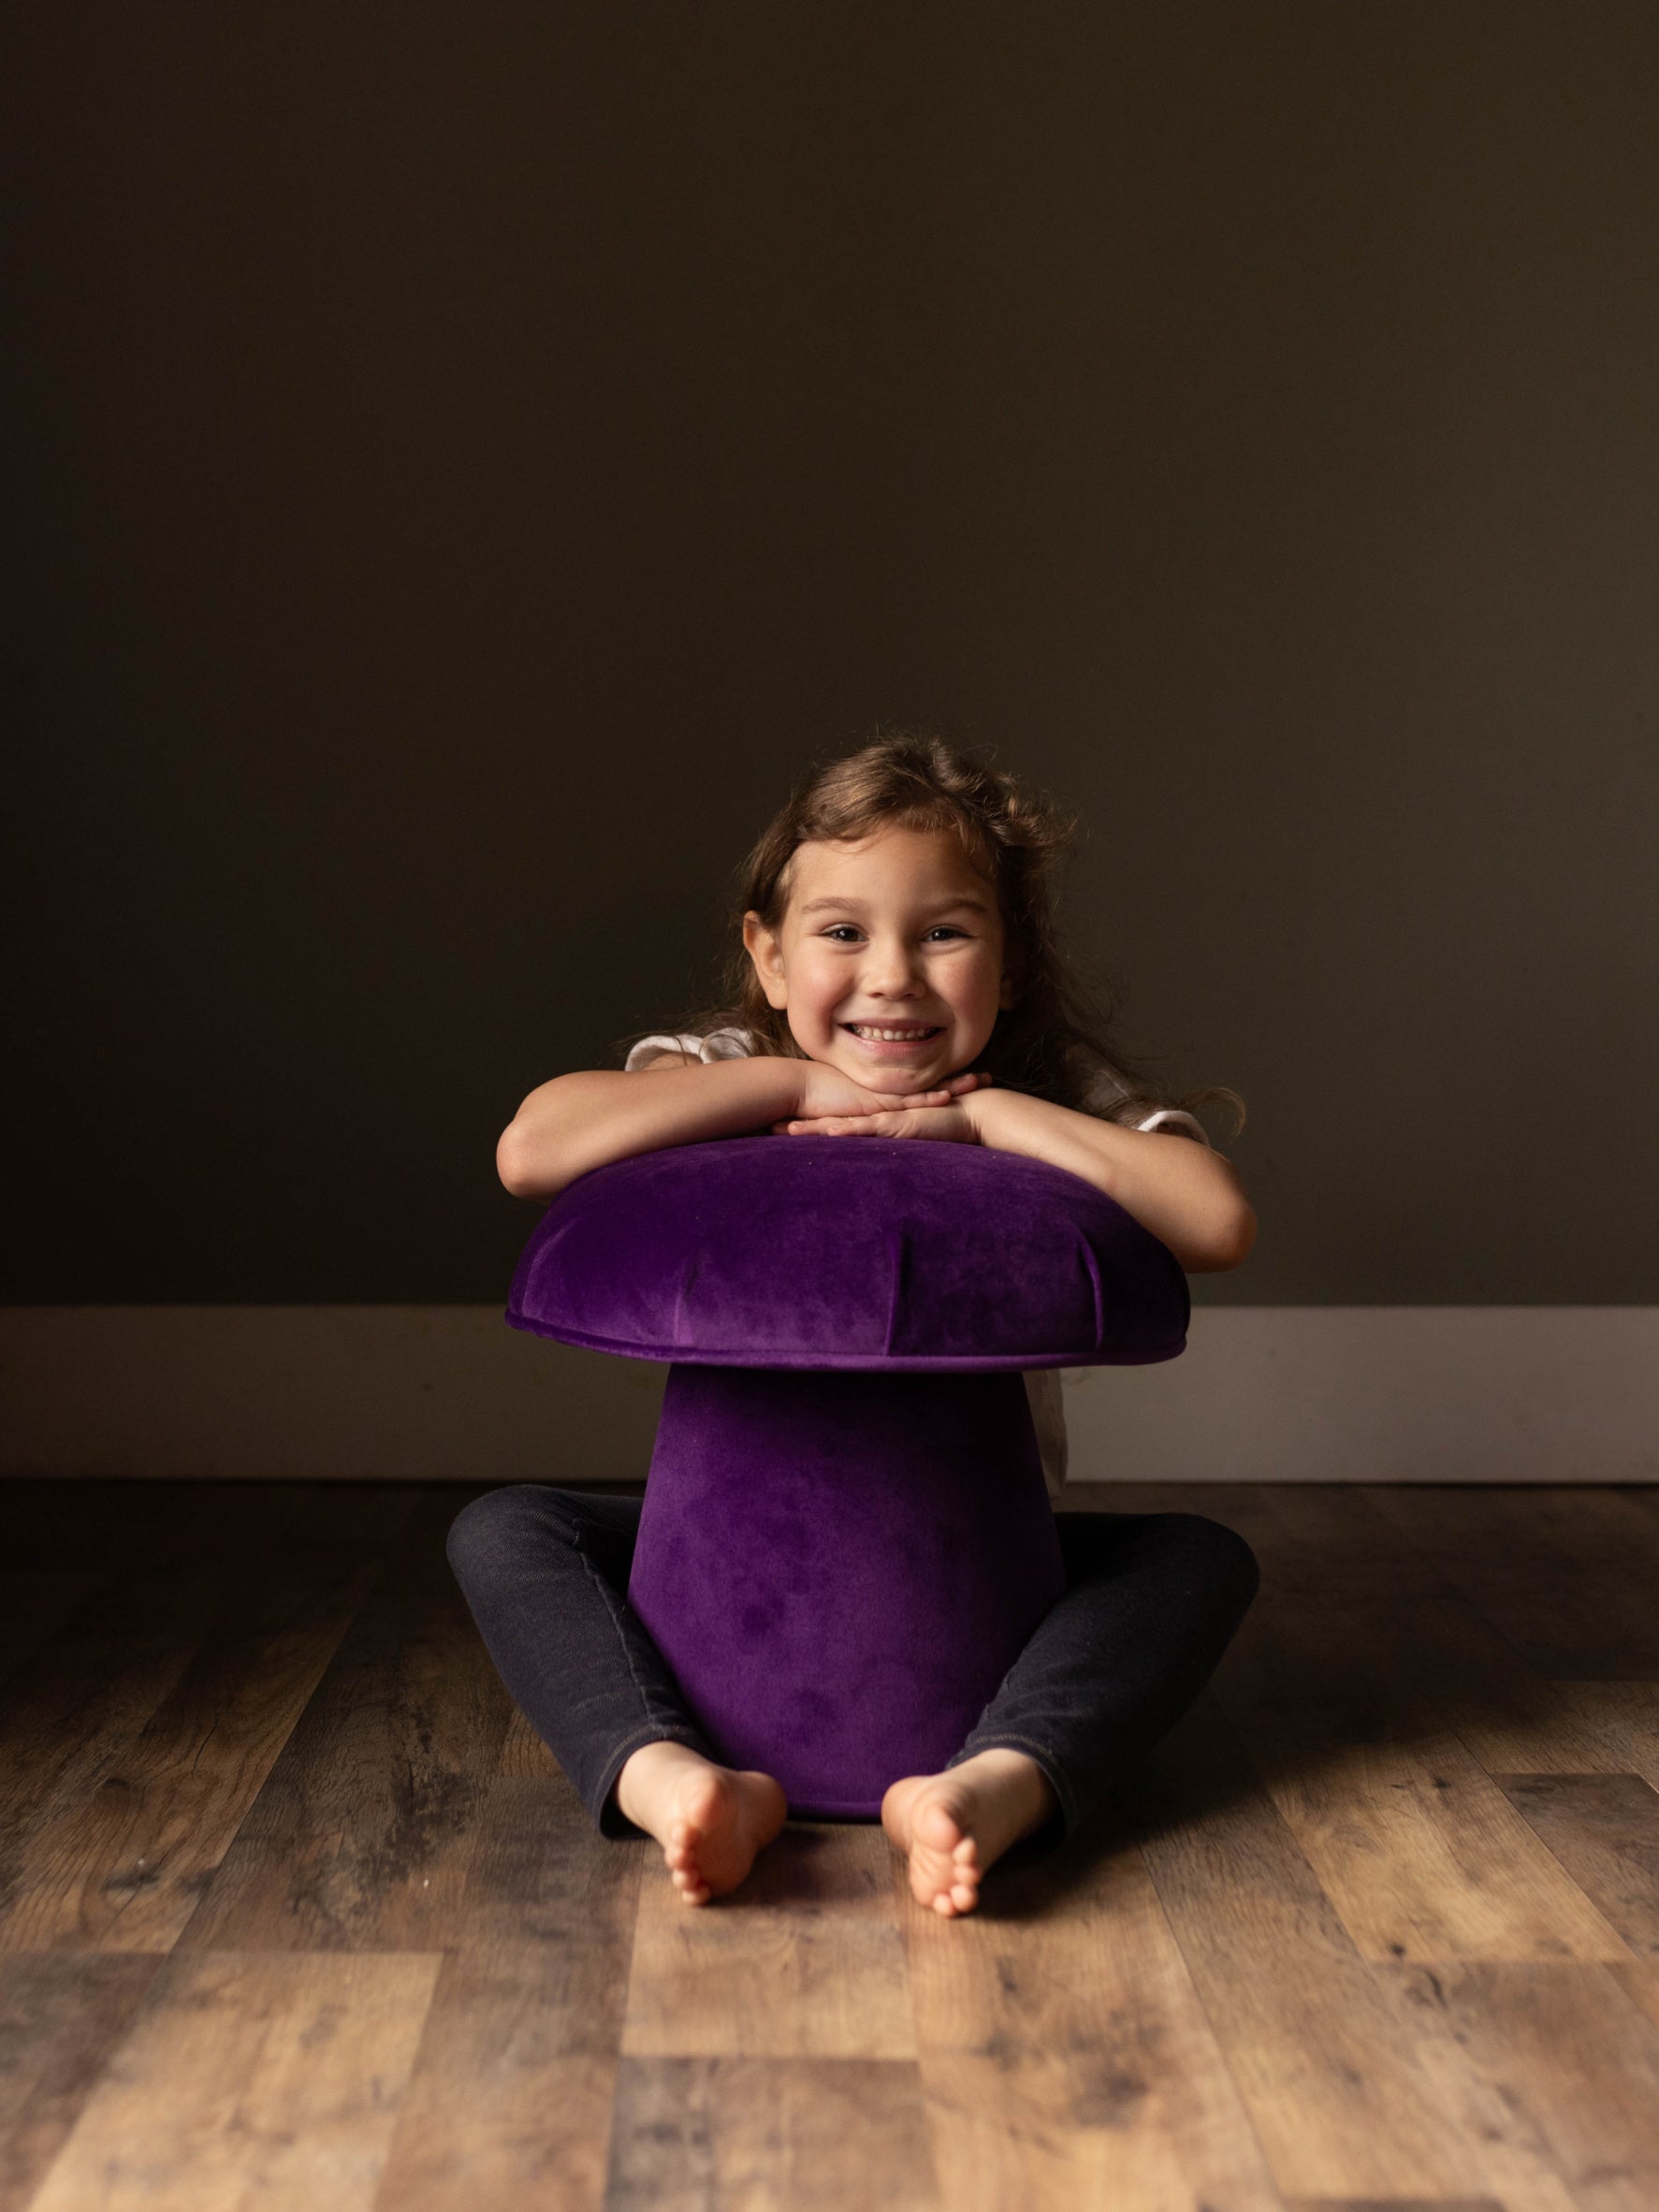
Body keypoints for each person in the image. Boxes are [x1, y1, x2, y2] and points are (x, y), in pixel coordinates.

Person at [449, 732, 1261, 1918]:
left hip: (987, 1560)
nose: (893, 976)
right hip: (721, 1562)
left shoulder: (1042, 1088)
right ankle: (665, 1774)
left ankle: (999, 1778)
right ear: (767, 958)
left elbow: (1217, 1218)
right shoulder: (735, 1062)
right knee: (508, 1528)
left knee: (1198, 1560)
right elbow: (533, 1149)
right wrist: (788, 1086)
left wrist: (989, 1124)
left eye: (945, 931)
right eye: (841, 933)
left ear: (1012, 961)